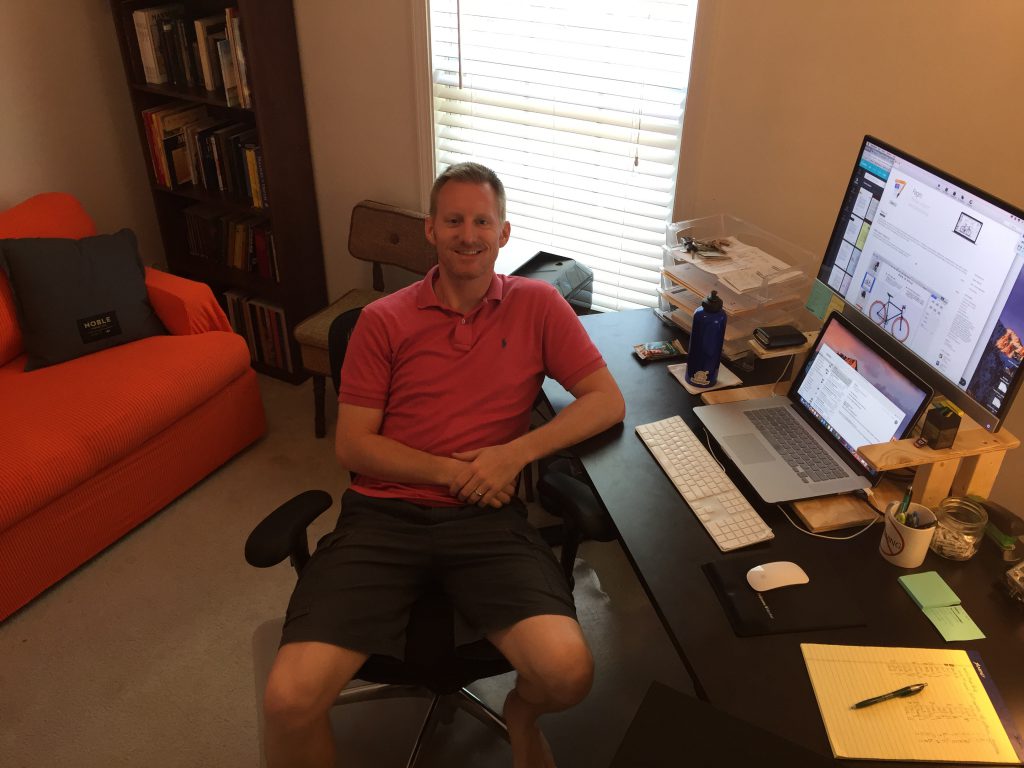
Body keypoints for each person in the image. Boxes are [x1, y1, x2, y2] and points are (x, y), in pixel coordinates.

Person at [262, 162, 625, 768]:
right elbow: (353, 445)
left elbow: (606, 401)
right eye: (453, 220)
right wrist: (455, 473)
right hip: (384, 515)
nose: (468, 234)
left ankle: (520, 714)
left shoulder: (538, 305)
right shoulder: (383, 320)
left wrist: (514, 454)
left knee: (567, 675)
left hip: (487, 521)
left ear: (504, 233)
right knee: (287, 701)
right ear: (430, 230)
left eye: (482, 220)